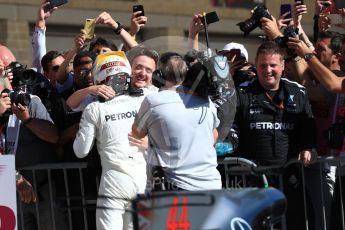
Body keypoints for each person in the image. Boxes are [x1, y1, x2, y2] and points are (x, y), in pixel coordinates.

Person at [228, 41, 316, 229]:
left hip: (289, 176)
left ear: (283, 66)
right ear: (256, 66)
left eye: (273, 65)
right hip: (252, 178)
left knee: (296, 222)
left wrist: (307, 147)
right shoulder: (242, 92)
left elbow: (308, 127)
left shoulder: (297, 92)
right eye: (263, 65)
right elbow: (229, 126)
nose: (268, 70)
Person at [73, 51, 151, 230]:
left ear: (101, 79)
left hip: (113, 183)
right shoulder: (146, 100)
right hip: (142, 181)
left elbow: (80, 151)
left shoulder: (94, 109)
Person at [132, 53, 221, 191]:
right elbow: (214, 137)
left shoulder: (153, 101)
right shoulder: (207, 102)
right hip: (212, 184)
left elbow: (137, 132)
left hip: (176, 186)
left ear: (159, 75)